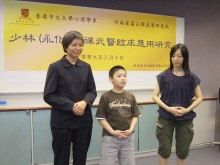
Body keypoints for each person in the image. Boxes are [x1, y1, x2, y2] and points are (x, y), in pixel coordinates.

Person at [43, 31, 97, 165]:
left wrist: (85, 102)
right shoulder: (55, 67)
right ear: (66, 46)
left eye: (81, 45)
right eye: (74, 45)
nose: (78, 48)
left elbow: (92, 91)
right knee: (61, 159)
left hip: (83, 121)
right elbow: (49, 95)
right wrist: (72, 106)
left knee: (81, 158)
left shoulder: (86, 67)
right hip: (62, 122)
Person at [152, 43, 203, 165]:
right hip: (166, 117)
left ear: (185, 57)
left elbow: (200, 97)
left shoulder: (191, 77)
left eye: (179, 56)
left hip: (185, 118)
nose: (175, 59)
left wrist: (187, 110)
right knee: (164, 149)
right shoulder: (164, 76)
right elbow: (154, 96)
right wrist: (169, 109)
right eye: (173, 56)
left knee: (183, 150)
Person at [95, 65, 141, 165]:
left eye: (124, 76)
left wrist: (130, 130)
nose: (123, 78)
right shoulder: (106, 96)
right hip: (110, 138)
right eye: (119, 76)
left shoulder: (130, 96)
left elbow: (135, 115)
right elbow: (101, 118)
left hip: (128, 137)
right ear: (111, 79)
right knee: (107, 162)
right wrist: (113, 132)